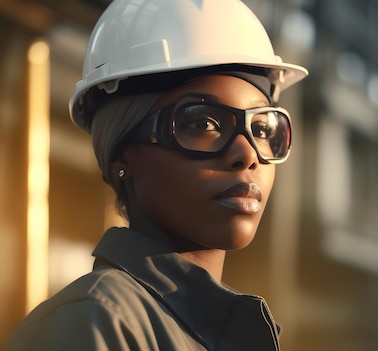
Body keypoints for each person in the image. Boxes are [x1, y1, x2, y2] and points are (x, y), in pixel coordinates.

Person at [4, 0, 307, 350]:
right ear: (122, 152)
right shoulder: (94, 323)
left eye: (263, 127)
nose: (247, 153)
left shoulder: (213, 330)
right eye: (202, 122)